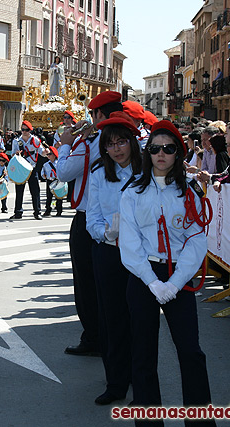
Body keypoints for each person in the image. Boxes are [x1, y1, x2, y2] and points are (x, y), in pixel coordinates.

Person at [119, 120, 215, 427]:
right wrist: (151, 282)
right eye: (156, 148)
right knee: (143, 353)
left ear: (179, 153)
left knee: (191, 352)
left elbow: (197, 239)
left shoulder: (190, 192)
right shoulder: (133, 191)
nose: (162, 154)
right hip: (144, 275)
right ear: (148, 153)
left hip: (178, 277)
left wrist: (173, 283)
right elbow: (129, 242)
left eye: (169, 148)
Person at [57, 90, 123, 356]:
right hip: (114, 218)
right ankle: (104, 336)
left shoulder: (94, 142)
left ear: (97, 115)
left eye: (91, 114)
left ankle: (94, 337)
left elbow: (63, 172)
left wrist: (65, 143)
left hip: (90, 218)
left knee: (86, 283)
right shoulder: (116, 138)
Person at [86, 111, 142, 406]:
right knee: (112, 319)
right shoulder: (98, 173)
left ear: (132, 142)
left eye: (122, 142)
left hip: (143, 255)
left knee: (141, 318)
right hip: (109, 253)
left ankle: (141, 379)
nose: (117, 148)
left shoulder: (148, 171)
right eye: (111, 144)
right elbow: (91, 217)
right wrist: (107, 235)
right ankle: (116, 382)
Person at [10, 120, 44, 220]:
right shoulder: (16, 141)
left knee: (35, 191)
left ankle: (37, 211)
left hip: (31, 168)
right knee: (19, 190)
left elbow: (41, 151)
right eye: (23, 130)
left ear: (30, 130)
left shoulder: (35, 140)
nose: (24, 132)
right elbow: (12, 154)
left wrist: (46, 152)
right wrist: (16, 153)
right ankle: (18, 212)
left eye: (26, 130)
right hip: (21, 168)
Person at [41, 146, 62, 217]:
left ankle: (59, 210)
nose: (48, 156)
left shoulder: (59, 163)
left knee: (58, 196)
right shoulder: (46, 164)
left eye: (50, 154)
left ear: (54, 155)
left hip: (58, 181)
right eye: (47, 155)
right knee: (49, 196)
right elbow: (42, 172)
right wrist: (44, 176)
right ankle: (48, 210)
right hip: (50, 181)